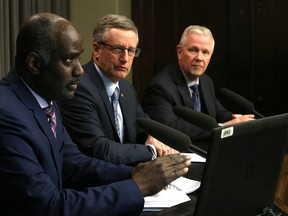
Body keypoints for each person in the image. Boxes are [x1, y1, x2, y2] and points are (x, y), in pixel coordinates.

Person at [0, 12, 191, 216]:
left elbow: (73, 164)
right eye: (69, 60)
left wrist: (135, 173)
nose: (79, 70)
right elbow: (48, 206)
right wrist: (139, 186)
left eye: (78, 58)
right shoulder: (6, 113)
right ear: (35, 64)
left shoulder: (46, 99)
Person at [58, 14, 178, 166]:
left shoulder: (126, 88)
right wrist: (151, 151)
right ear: (96, 49)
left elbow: (144, 128)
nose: (125, 59)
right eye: (117, 49)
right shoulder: (79, 87)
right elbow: (99, 149)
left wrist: (152, 138)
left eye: (131, 50)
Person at [143, 25, 255, 151]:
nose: (199, 58)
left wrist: (237, 119)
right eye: (193, 50)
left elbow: (217, 112)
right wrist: (221, 127)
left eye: (205, 52)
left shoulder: (205, 81)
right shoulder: (160, 87)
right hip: (180, 154)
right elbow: (169, 128)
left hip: (206, 150)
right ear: (179, 52)